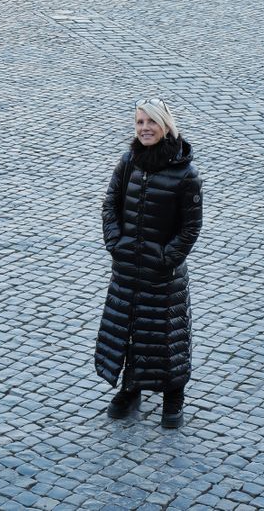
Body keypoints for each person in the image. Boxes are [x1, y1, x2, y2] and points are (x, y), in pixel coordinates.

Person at [95, 98, 203, 429]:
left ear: (165, 125)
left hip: (163, 273)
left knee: (168, 336)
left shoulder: (186, 174)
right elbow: (110, 204)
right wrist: (116, 245)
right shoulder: (129, 162)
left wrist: (166, 259)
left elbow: (191, 227)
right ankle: (131, 387)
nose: (145, 128)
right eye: (140, 122)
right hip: (127, 266)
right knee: (129, 331)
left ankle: (174, 395)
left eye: (151, 122)